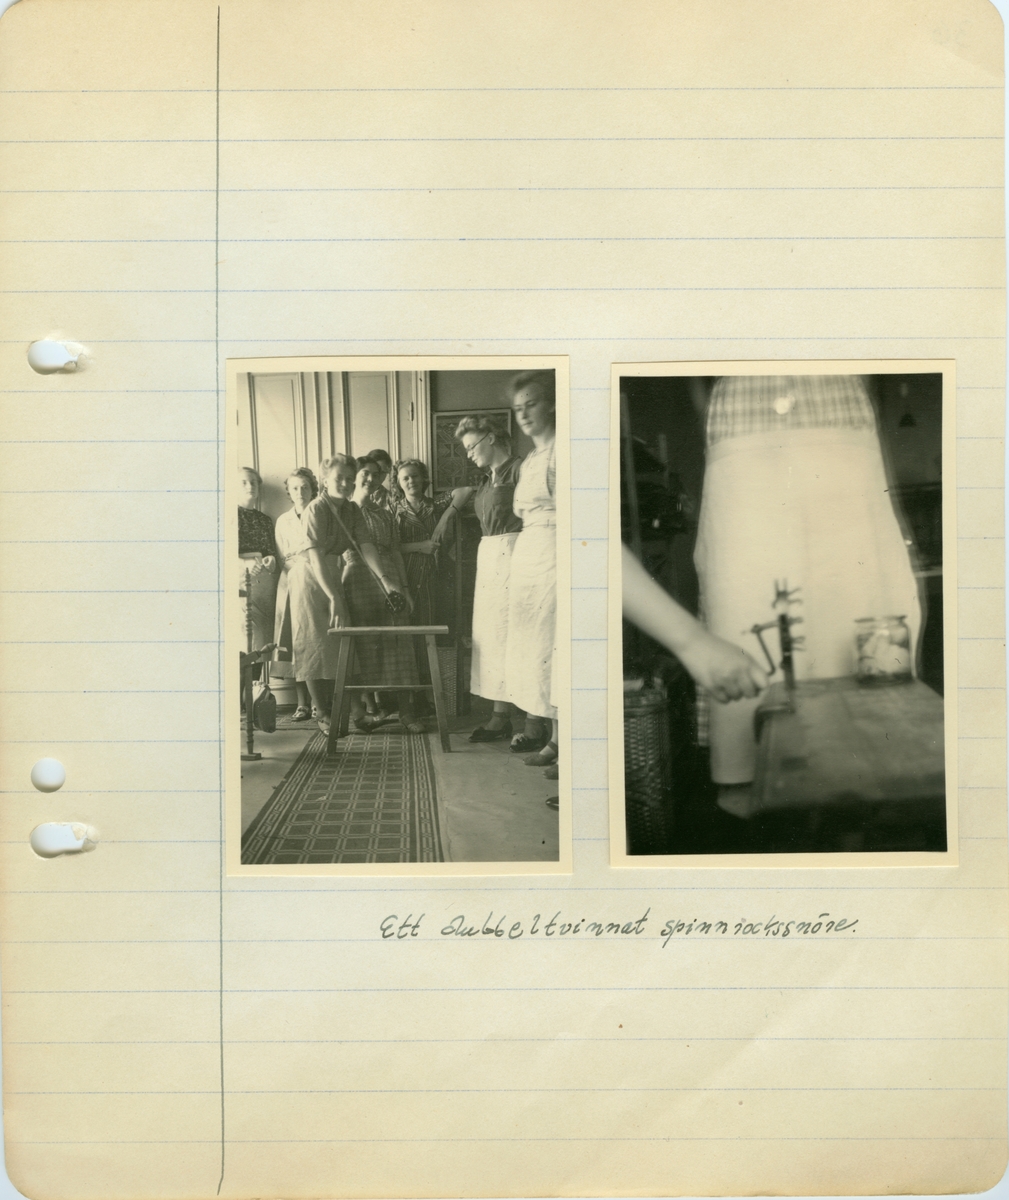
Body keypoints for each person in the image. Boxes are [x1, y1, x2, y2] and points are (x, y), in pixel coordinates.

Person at [692, 373, 922, 796]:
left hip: (836, 400)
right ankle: (758, 787)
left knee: (857, 598)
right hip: (742, 405)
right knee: (744, 601)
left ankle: (865, 782)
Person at [302, 455, 402, 737]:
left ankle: (358, 714)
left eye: (350, 478)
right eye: (339, 478)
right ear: (325, 480)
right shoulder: (316, 508)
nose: (346, 484)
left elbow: (366, 545)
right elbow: (315, 558)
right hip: (310, 578)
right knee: (315, 644)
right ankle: (322, 713)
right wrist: (334, 596)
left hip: (334, 573)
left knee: (344, 644)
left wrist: (385, 580)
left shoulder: (351, 509)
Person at [453, 416, 523, 742]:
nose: (469, 454)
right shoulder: (486, 480)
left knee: (521, 636)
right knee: (495, 637)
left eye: (471, 446)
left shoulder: (520, 471)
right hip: (492, 560)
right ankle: (499, 717)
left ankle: (534, 724)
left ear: (491, 438)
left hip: (518, 554)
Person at [503, 371, 559, 772]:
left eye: (532, 404)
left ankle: (565, 742)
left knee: (556, 649)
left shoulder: (562, 451)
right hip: (530, 556)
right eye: (518, 408)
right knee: (537, 649)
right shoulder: (530, 460)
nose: (523, 414)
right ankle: (555, 739)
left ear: (552, 405)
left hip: (555, 555)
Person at [343, 457, 421, 733]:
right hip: (358, 579)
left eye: (377, 475)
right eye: (365, 473)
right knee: (364, 644)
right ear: (355, 476)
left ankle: (407, 712)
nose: (371, 479)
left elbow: (396, 552)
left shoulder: (384, 513)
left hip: (390, 578)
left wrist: (405, 588)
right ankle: (367, 711)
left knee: (400, 640)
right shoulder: (343, 510)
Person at [272, 467, 320, 722]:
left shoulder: (321, 513)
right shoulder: (283, 521)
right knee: (295, 641)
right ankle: (302, 703)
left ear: (313, 489)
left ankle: (321, 703)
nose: (300, 492)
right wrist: (301, 563)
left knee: (317, 641)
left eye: (305, 487)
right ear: (289, 492)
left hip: (318, 580)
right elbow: (284, 556)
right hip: (291, 582)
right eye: (295, 488)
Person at [238, 466, 278, 654]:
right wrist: (246, 564)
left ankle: (258, 674)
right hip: (241, 578)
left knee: (263, 639)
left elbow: (270, 552)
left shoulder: (265, 520)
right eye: (244, 482)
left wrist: (270, 559)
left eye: (253, 482)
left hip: (264, 583)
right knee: (246, 637)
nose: (250, 486)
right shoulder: (229, 516)